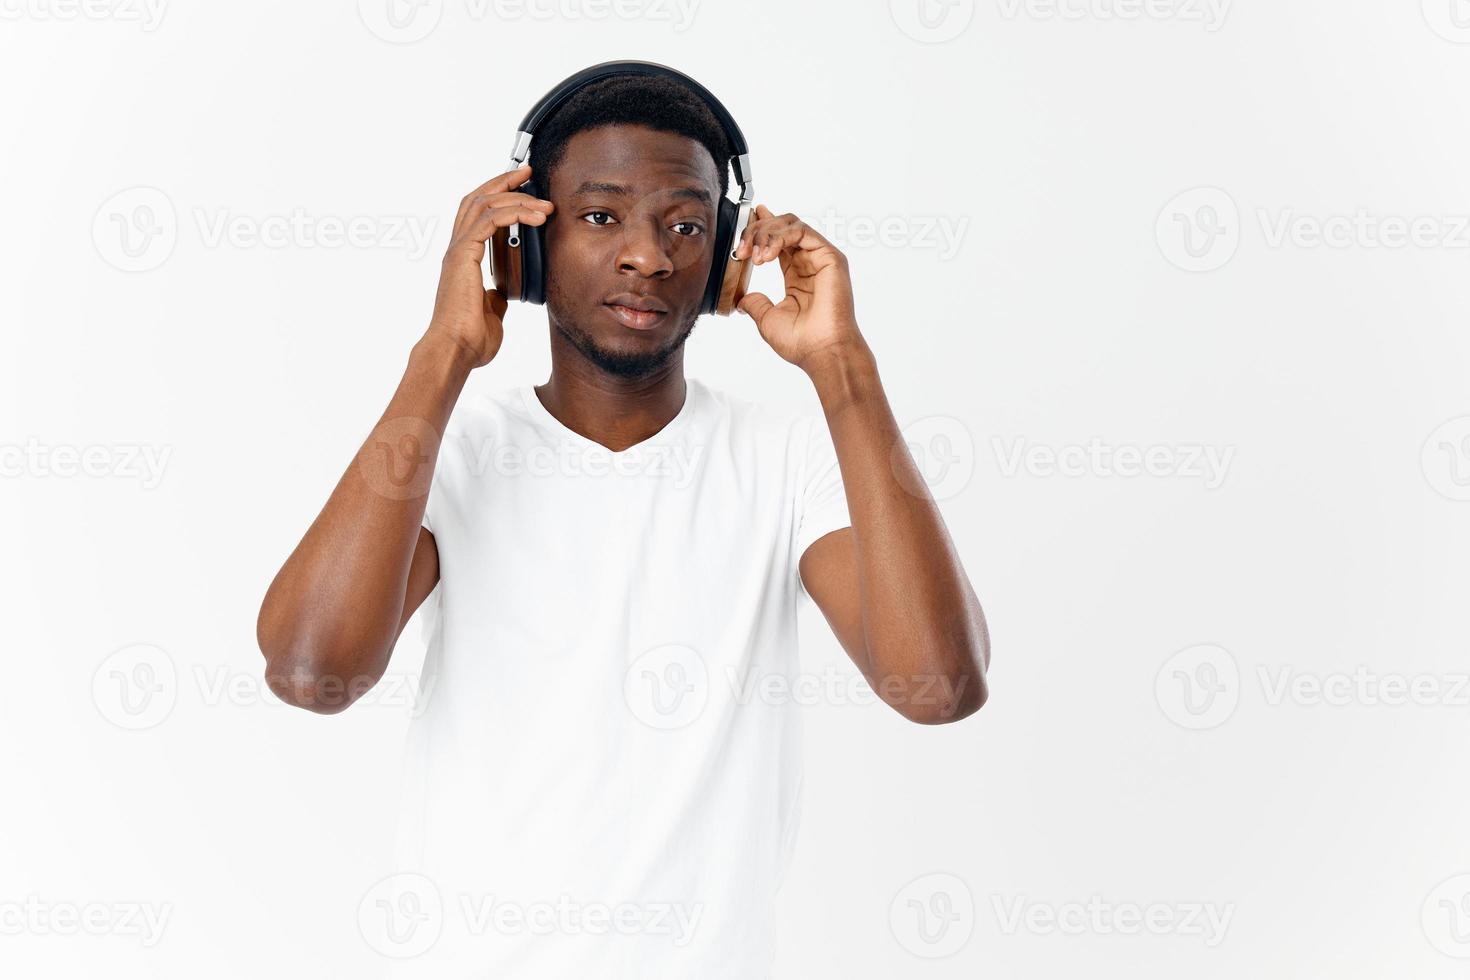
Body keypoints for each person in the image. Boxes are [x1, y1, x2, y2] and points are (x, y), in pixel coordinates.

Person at [256, 69, 990, 978]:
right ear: (523, 246)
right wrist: (442, 352)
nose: (649, 256)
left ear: (724, 257)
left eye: (686, 225)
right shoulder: (446, 448)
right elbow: (311, 671)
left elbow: (937, 688)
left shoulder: (787, 460)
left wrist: (844, 368)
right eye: (601, 217)